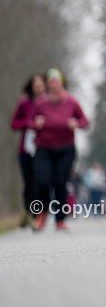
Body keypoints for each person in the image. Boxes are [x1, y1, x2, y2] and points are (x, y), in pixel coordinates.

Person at [31, 68, 89, 231]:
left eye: (56, 81)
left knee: (60, 182)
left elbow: (84, 121)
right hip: (44, 148)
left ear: (62, 83)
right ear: (47, 85)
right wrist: (35, 124)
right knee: (43, 181)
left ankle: (60, 219)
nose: (54, 85)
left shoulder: (72, 102)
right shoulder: (40, 103)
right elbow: (28, 122)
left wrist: (76, 123)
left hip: (66, 149)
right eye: (50, 82)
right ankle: (42, 213)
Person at [10, 73, 46, 227]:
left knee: (40, 181)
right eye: (36, 85)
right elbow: (14, 124)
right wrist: (29, 123)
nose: (38, 88)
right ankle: (27, 211)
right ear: (31, 87)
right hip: (25, 149)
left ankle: (37, 214)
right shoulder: (24, 103)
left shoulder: (49, 102)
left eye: (41, 85)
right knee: (28, 181)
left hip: (43, 148)